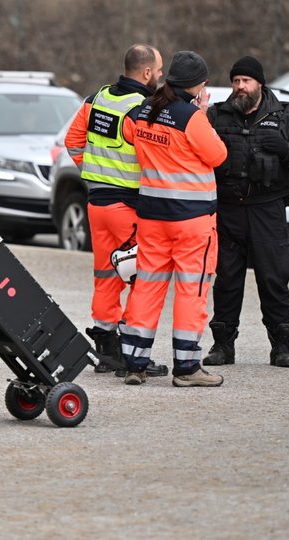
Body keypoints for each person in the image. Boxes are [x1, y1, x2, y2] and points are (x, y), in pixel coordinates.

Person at [203, 56, 289, 369]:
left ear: (260, 83)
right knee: (227, 280)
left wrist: (284, 148)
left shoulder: (284, 115)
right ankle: (222, 345)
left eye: (246, 81)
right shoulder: (216, 114)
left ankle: (281, 345)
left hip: (267, 210)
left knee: (274, 278)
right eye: (236, 81)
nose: (240, 87)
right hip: (228, 210)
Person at [119, 51, 228, 386]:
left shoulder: (141, 111)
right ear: (199, 85)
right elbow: (218, 156)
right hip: (192, 221)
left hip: (153, 218)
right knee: (191, 290)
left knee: (148, 287)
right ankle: (187, 368)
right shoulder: (191, 117)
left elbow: (127, 135)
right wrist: (203, 116)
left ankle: (135, 363)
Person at [64, 43, 169, 377]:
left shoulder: (98, 98)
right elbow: (153, 158)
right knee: (141, 278)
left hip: (97, 204)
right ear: (147, 72)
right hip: (129, 207)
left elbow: (72, 142)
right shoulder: (142, 109)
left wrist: (94, 173)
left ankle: (106, 348)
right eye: (160, 70)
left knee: (107, 275)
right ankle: (132, 352)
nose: (162, 76)